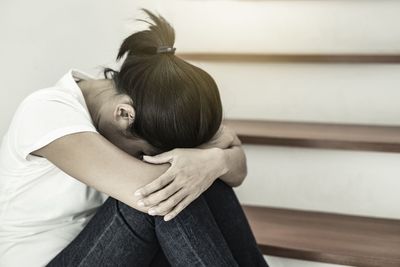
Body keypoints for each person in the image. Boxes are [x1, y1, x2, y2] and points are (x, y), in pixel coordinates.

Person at [0, 9, 268, 267]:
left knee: (201, 181)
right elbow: (159, 192)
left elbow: (237, 170)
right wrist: (205, 163)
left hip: (117, 250)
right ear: (124, 114)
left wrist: (214, 161)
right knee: (166, 196)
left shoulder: (147, 107)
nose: (145, 160)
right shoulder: (46, 111)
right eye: (143, 154)